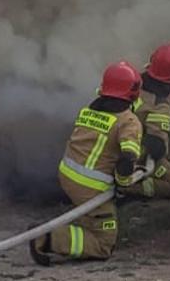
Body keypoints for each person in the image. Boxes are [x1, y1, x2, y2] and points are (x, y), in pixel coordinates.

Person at [31, 61, 153, 264]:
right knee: (104, 243)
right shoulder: (128, 121)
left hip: (68, 176)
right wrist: (124, 182)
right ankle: (46, 238)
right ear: (133, 93)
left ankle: (78, 224)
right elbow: (127, 158)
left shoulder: (89, 110)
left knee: (90, 219)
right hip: (91, 188)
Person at [135, 42, 170, 200]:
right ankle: (129, 187)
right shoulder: (160, 107)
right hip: (136, 153)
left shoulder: (135, 82)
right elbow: (157, 148)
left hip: (118, 140)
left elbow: (168, 75)